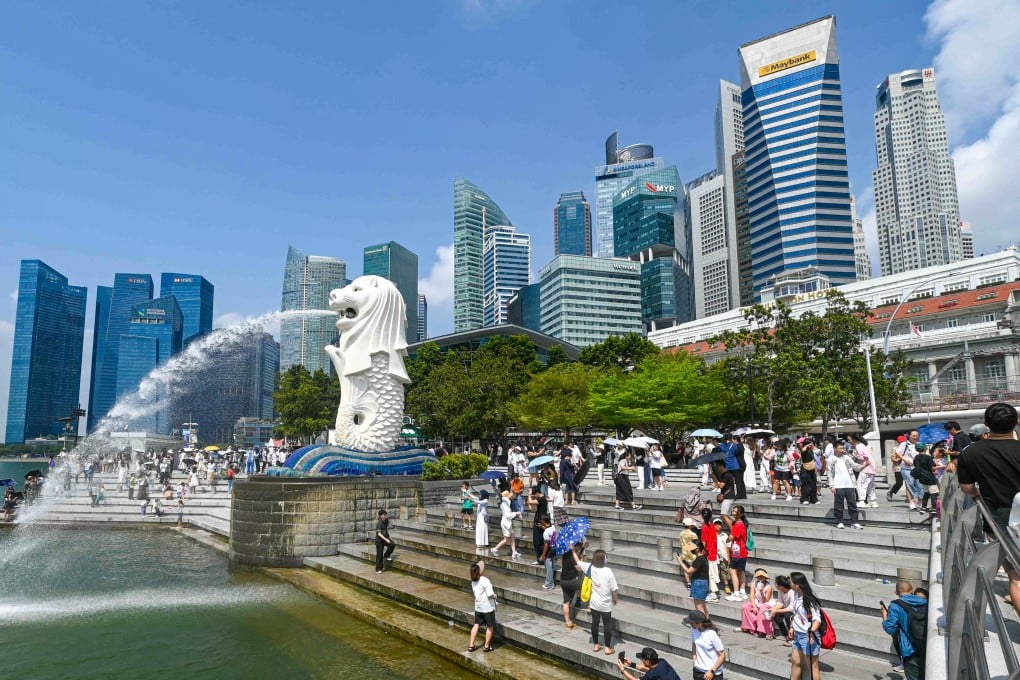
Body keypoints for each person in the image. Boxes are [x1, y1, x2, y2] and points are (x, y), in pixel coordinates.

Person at [956, 402, 1020, 618]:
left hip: (999, 521)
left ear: (986, 424)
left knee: (1017, 578)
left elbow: (966, 487)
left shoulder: (971, 453)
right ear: (1016, 423)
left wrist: (977, 494)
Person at [573, 547, 619, 655]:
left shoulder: (590, 567)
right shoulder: (608, 571)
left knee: (595, 623)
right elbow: (614, 588)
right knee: (607, 625)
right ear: (604, 560)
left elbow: (578, 561)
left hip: (594, 604)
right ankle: (608, 648)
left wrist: (572, 550)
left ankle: (596, 645)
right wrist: (615, 599)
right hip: (605, 605)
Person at [881, 580, 927, 680]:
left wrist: (884, 616)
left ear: (896, 592)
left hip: (910, 650)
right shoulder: (925, 602)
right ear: (912, 590)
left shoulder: (895, 606)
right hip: (926, 646)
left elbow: (890, 629)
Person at [788, 571, 822, 680]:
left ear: (797, 584)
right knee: (795, 662)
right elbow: (796, 614)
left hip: (808, 637)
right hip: (798, 635)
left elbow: (817, 620)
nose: (789, 583)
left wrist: (811, 632)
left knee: (812, 667)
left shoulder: (811, 601)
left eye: (791, 582)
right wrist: (792, 627)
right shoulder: (796, 595)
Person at [828, 440, 863, 529]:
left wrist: (864, 465)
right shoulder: (831, 459)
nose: (842, 449)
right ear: (835, 448)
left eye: (843, 448)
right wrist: (832, 485)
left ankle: (854, 522)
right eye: (840, 448)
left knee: (852, 504)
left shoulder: (846, 457)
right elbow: (829, 474)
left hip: (849, 484)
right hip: (838, 485)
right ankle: (839, 521)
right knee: (839, 504)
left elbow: (855, 466)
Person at [684, 610, 726, 680]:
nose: (691, 625)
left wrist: (712, 671)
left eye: (692, 623)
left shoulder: (711, 634)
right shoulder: (693, 630)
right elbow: (694, 645)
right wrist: (695, 662)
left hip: (713, 673)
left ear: (699, 623)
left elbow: (722, 656)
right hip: (698, 671)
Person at [467, 560, 496, 653]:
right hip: (487, 608)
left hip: (478, 607)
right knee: (490, 626)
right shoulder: (485, 580)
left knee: (476, 625)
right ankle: (487, 646)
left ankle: (471, 645)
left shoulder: (473, 581)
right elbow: (490, 594)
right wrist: (495, 596)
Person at [737, 568, 775, 639]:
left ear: (765, 577)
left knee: (762, 610)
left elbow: (766, 600)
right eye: (759, 577)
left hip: (766, 603)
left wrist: (762, 592)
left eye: (762, 577)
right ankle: (747, 627)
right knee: (745, 606)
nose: (760, 578)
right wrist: (754, 606)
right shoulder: (754, 584)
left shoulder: (769, 587)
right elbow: (751, 596)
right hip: (757, 601)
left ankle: (765, 631)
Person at [678, 539, 711, 619]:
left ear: (697, 548)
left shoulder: (699, 559)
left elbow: (689, 571)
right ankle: (707, 624)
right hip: (702, 583)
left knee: (699, 608)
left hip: (699, 584)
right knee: (703, 606)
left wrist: (680, 561)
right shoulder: (702, 558)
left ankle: (703, 626)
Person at [723, 505, 749, 600]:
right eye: (733, 511)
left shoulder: (738, 524)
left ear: (740, 513)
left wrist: (726, 540)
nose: (733, 512)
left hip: (737, 551)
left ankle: (736, 592)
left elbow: (731, 537)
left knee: (733, 571)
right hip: (743, 551)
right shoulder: (742, 523)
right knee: (741, 571)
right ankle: (742, 591)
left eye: (735, 511)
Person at [560, 539, 585, 630]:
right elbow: (579, 569)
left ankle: (568, 623)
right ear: (575, 547)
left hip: (563, 580)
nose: (579, 548)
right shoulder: (572, 556)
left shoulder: (566, 553)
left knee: (566, 602)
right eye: (579, 546)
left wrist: (582, 549)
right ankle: (590, 605)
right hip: (572, 581)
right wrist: (582, 561)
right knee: (588, 584)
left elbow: (575, 555)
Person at [617, 647, 681, 680]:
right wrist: (631, 664)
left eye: (642, 659)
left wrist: (623, 670)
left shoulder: (652, 674)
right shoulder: (662, 662)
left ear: (647, 662)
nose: (642, 661)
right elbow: (649, 669)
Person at [490, 491, 522, 559]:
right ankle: (495, 549)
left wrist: (515, 513)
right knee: (506, 540)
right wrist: (516, 513)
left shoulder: (506, 503)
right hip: (506, 523)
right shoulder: (505, 504)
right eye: (511, 495)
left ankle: (514, 552)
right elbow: (507, 515)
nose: (512, 496)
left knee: (512, 536)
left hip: (507, 523)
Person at [912, 444, 940, 513]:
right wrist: (943, 466)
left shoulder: (916, 457)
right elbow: (933, 468)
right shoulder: (928, 457)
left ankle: (923, 508)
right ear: (925, 449)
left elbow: (917, 466)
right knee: (934, 493)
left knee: (926, 493)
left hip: (922, 477)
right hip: (929, 477)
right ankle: (934, 508)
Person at [700, 508, 720, 602]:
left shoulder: (704, 527)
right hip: (714, 552)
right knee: (712, 573)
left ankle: (713, 593)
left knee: (711, 574)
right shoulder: (712, 526)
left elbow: (704, 542)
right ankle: (712, 592)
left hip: (709, 553)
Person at [770, 574, 795, 642]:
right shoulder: (780, 591)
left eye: (776, 583)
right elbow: (780, 603)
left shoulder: (792, 592)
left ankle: (792, 637)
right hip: (786, 609)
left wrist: (776, 610)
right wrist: (773, 609)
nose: (775, 585)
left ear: (780, 586)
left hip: (793, 611)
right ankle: (786, 635)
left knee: (787, 616)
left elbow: (791, 608)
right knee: (776, 615)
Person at [527, 485, 548, 564]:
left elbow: (530, 501)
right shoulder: (542, 499)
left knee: (538, 541)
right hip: (539, 521)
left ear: (537, 492)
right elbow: (534, 508)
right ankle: (540, 558)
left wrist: (529, 494)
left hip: (540, 523)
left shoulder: (542, 499)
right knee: (538, 540)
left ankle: (540, 558)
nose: (534, 496)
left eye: (534, 494)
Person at [538, 515, 558, 590]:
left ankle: (549, 583)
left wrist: (543, 554)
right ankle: (550, 582)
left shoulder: (546, 532)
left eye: (542, 523)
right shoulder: (552, 527)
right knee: (552, 565)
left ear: (545, 523)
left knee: (548, 566)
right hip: (554, 548)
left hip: (549, 550)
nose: (541, 524)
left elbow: (546, 544)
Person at [375, 509, 395, 573]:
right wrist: (386, 539)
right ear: (381, 516)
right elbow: (379, 533)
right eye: (385, 514)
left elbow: (385, 530)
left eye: (386, 514)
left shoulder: (386, 521)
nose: (386, 515)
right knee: (379, 554)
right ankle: (379, 569)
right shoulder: (379, 523)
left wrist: (389, 537)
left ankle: (386, 555)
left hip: (385, 538)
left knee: (392, 544)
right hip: (379, 541)